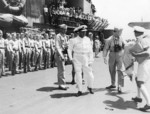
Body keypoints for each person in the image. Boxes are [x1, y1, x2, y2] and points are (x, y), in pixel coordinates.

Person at [68, 25, 94, 96]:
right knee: (78, 75)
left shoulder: (88, 39)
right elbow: (69, 49)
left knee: (90, 74)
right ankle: (80, 90)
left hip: (86, 58)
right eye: (82, 32)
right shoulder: (73, 40)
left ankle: (90, 87)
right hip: (77, 58)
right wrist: (71, 58)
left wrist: (91, 60)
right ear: (78, 32)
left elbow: (90, 51)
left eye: (85, 32)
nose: (84, 33)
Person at [129, 26, 150, 111]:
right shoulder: (142, 39)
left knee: (140, 83)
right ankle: (138, 97)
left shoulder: (143, 40)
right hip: (143, 62)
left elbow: (148, 53)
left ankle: (149, 103)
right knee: (137, 78)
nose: (134, 34)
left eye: (135, 32)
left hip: (145, 63)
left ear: (138, 33)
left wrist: (135, 55)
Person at [103, 26, 125, 93]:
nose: (119, 33)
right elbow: (106, 48)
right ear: (114, 32)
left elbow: (125, 46)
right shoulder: (109, 39)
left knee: (120, 70)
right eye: (118, 32)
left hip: (120, 54)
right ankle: (113, 84)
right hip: (112, 54)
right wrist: (104, 57)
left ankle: (120, 86)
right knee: (112, 70)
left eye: (120, 32)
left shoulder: (121, 38)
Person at [55, 24, 68, 90]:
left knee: (63, 69)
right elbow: (57, 47)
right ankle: (61, 84)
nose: (66, 30)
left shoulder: (65, 36)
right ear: (62, 29)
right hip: (59, 54)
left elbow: (65, 47)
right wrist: (61, 55)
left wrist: (65, 55)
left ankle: (61, 83)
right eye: (65, 29)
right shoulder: (58, 36)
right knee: (61, 70)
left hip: (63, 54)